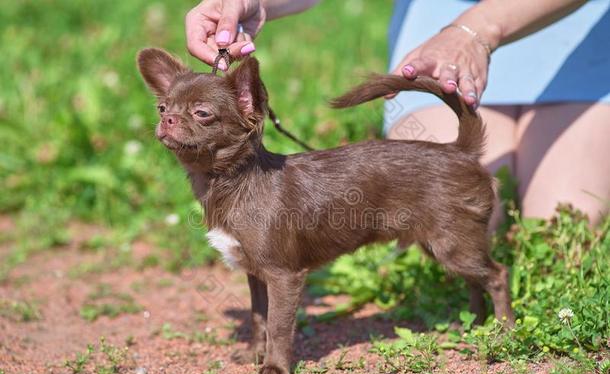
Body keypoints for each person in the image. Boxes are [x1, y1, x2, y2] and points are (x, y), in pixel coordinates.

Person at [185, 0, 610, 227]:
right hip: (438, 31)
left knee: (563, 226)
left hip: (575, 27)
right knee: (448, 205)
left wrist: (477, 31)